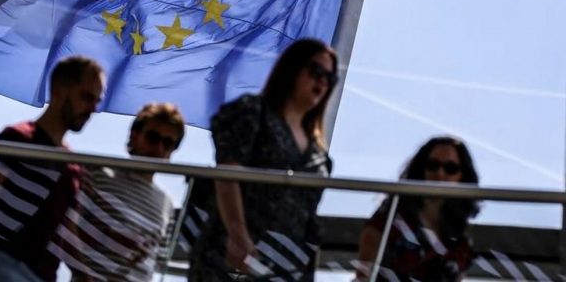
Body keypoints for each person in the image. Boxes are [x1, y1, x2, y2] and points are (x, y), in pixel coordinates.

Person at [188, 38, 337, 282]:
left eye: (330, 78)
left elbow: (307, 221)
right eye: (316, 71)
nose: (322, 81)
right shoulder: (253, 112)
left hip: (284, 267)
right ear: (292, 69)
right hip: (231, 258)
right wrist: (237, 234)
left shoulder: (320, 157)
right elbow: (228, 173)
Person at [0, 55, 105, 282]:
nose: (92, 108)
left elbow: (66, 229)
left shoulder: (73, 166)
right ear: (59, 89)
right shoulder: (18, 138)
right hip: (3, 264)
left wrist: (83, 273)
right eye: (86, 97)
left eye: (96, 101)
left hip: (45, 275)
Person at [69, 102, 185, 282]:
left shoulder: (166, 205)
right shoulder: (99, 175)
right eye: (153, 138)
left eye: (168, 143)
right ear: (135, 136)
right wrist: (83, 274)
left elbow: (152, 264)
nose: (159, 148)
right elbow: (68, 228)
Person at [356, 136, 480, 282]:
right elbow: (364, 274)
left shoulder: (459, 233)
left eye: (450, 169)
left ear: (462, 176)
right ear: (421, 169)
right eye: (433, 165)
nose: (440, 174)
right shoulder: (391, 217)